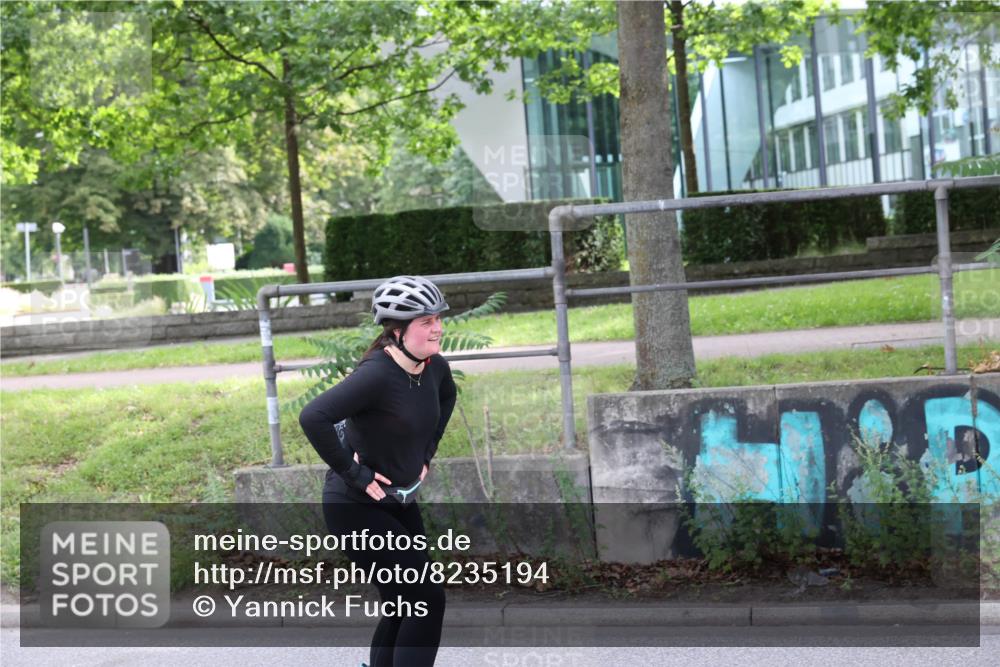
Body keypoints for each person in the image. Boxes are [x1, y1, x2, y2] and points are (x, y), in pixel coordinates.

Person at [299, 275, 457, 667]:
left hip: (400, 503)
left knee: (404, 602)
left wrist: (426, 455)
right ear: (398, 331)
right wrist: (357, 475)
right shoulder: (376, 375)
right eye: (425, 322)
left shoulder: (435, 368)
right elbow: (313, 416)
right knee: (426, 598)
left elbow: (446, 398)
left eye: (437, 318)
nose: (437, 327)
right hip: (354, 507)